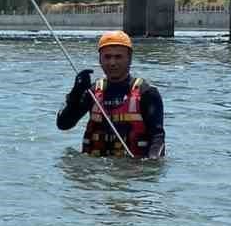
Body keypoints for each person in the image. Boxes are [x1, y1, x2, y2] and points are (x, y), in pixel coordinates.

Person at [56, 30, 165, 159]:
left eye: (118, 57)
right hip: (97, 170)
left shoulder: (147, 94)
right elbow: (63, 124)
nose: (112, 63)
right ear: (100, 59)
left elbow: (158, 138)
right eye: (107, 57)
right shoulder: (92, 92)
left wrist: (152, 163)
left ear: (129, 59)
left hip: (133, 170)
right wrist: (76, 93)